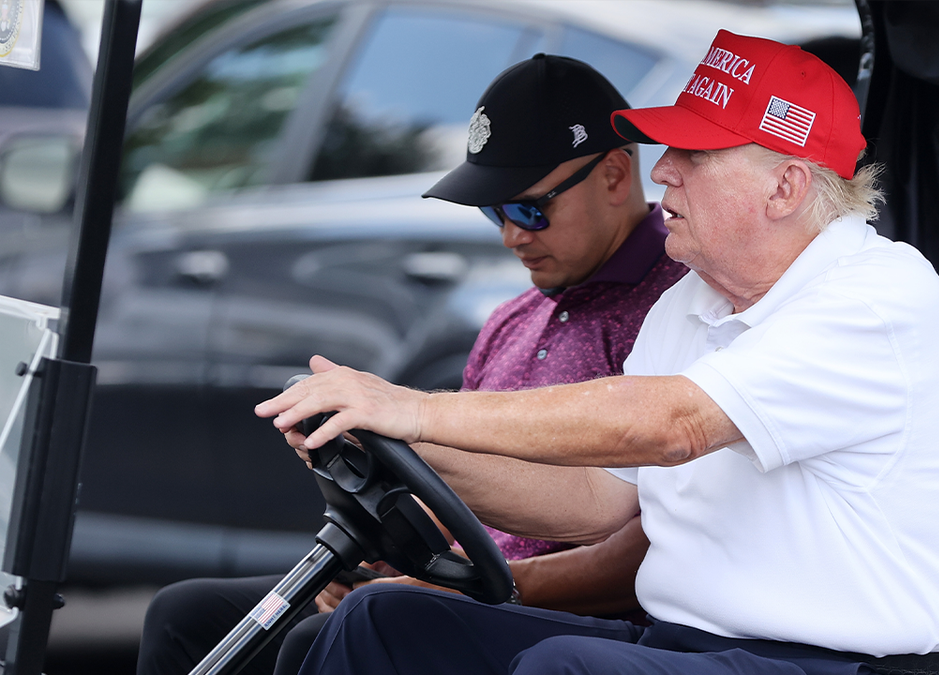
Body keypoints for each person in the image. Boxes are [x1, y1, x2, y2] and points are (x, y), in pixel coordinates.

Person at [259, 30, 939, 675]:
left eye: (695, 152)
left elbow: (672, 424)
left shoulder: (874, 295)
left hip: (851, 663)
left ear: (786, 186)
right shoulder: (696, 299)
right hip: (695, 646)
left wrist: (419, 410)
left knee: (567, 666)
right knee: (379, 625)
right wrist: (387, 441)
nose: (663, 167)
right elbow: (598, 498)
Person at [136, 54, 686, 675]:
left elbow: (651, 542)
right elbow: (455, 494)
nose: (511, 236)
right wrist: (379, 556)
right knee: (186, 615)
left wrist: (468, 588)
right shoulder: (512, 318)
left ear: (615, 175)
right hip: (476, 583)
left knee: (325, 638)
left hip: (575, 619)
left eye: (529, 209)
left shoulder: (675, 309)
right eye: (493, 212)